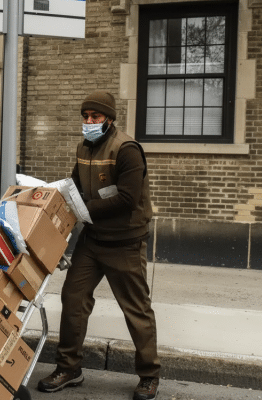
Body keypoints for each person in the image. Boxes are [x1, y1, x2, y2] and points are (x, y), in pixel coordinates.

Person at [37, 91, 161, 400]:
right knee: (73, 297)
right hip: (92, 240)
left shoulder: (127, 148)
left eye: (96, 117)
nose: (89, 122)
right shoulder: (82, 147)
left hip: (125, 242)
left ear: (109, 118)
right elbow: (75, 186)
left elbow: (128, 198)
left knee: (136, 309)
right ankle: (69, 368)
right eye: (86, 116)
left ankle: (149, 375)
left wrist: (85, 209)